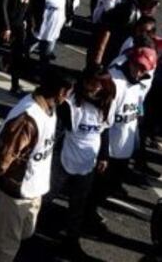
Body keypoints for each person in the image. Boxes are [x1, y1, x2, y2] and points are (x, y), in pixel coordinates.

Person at [0, 69, 74, 262]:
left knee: (24, 231)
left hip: (33, 186)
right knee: (7, 246)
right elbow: (6, 153)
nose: (70, 96)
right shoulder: (28, 118)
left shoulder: (50, 108)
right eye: (68, 91)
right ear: (60, 92)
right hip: (15, 188)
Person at [87, 46, 156, 233]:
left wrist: (136, 140)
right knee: (98, 187)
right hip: (110, 149)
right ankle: (86, 215)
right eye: (138, 67)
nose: (140, 72)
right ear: (131, 62)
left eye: (144, 69)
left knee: (111, 186)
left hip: (125, 147)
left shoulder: (140, 81)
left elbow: (139, 106)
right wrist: (103, 154)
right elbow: (104, 123)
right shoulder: (115, 82)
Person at [53, 69, 116, 259]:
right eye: (92, 82)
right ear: (85, 81)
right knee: (47, 195)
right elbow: (59, 128)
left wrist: (104, 156)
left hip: (89, 160)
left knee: (78, 204)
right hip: (65, 155)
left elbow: (104, 130)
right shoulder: (71, 101)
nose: (96, 87)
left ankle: (71, 241)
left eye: (100, 83)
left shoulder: (106, 103)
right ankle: (27, 230)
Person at [91, 0, 160, 67]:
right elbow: (106, 30)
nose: (156, 6)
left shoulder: (141, 13)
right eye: (153, 2)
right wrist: (98, 58)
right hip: (109, 51)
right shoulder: (128, 11)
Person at [28, 0, 68, 71]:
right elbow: (34, 8)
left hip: (53, 29)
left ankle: (41, 73)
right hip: (40, 27)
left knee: (45, 55)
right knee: (27, 48)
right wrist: (33, 24)